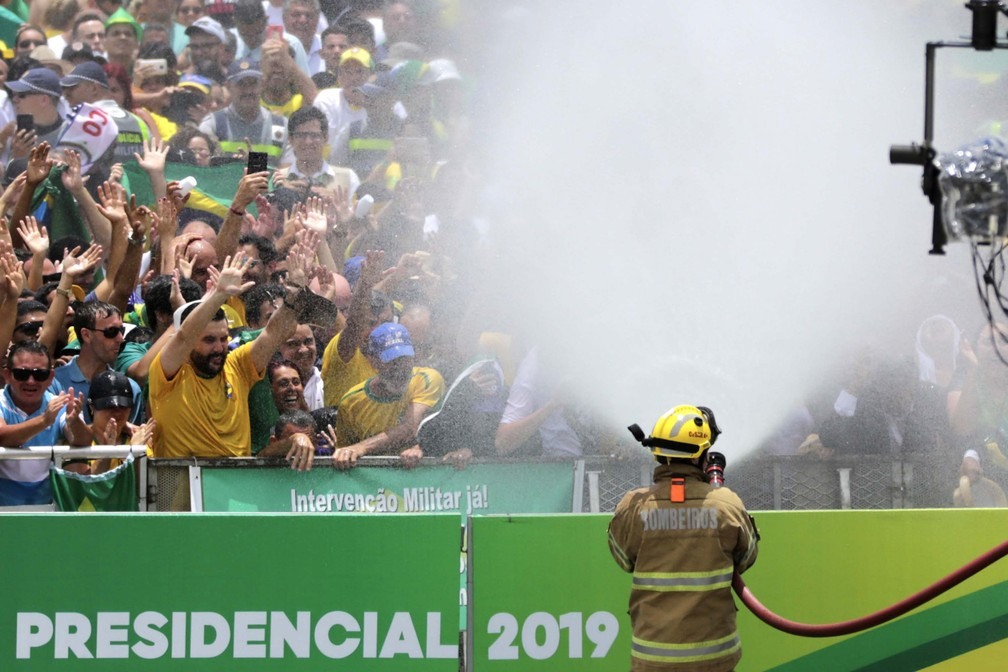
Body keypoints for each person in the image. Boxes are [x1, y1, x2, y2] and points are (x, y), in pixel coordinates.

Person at [608, 405, 759, 672]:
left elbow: (623, 560)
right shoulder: (726, 504)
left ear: (658, 454)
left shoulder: (634, 506)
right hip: (715, 658)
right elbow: (746, 558)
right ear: (700, 455)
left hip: (652, 659)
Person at [148, 253, 313, 471]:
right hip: (186, 493)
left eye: (223, 338)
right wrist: (219, 294)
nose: (218, 348)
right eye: (208, 340)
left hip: (235, 489)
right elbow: (184, 336)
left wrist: (295, 292)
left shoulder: (237, 365)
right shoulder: (168, 374)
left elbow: (276, 331)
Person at [332, 322, 444, 469]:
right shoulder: (351, 402)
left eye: (405, 359)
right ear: (372, 361)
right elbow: (345, 453)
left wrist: (362, 447)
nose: (401, 368)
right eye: (392, 361)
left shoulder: (427, 379)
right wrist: (350, 451)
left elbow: (409, 428)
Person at [0, 340, 90, 506]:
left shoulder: (60, 404)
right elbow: (2, 436)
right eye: (22, 374)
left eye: (39, 375)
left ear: (50, 378)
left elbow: (82, 441)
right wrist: (44, 420)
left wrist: (75, 421)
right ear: (7, 375)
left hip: (45, 509)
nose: (31, 381)